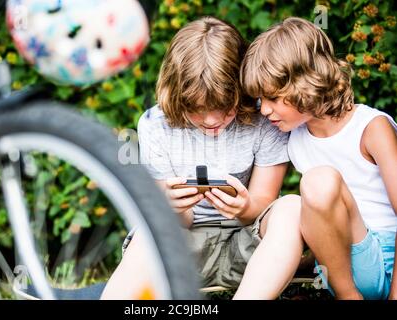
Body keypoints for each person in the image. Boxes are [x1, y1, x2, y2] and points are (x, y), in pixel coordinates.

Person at [101, 16, 304, 300]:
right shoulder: (155, 125)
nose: (211, 120)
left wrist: (244, 206)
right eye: (197, 108)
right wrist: (173, 206)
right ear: (177, 94)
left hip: (249, 247)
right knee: (151, 230)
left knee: (293, 208)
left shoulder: (264, 119)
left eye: (224, 106)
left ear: (242, 89)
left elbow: (262, 202)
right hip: (183, 251)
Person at [241, 17, 397, 300]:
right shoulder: (297, 138)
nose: (264, 110)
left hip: (383, 263)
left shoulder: (371, 129)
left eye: (274, 98)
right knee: (299, 201)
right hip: (339, 267)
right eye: (261, 100)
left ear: (307, 84)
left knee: (318, 181)